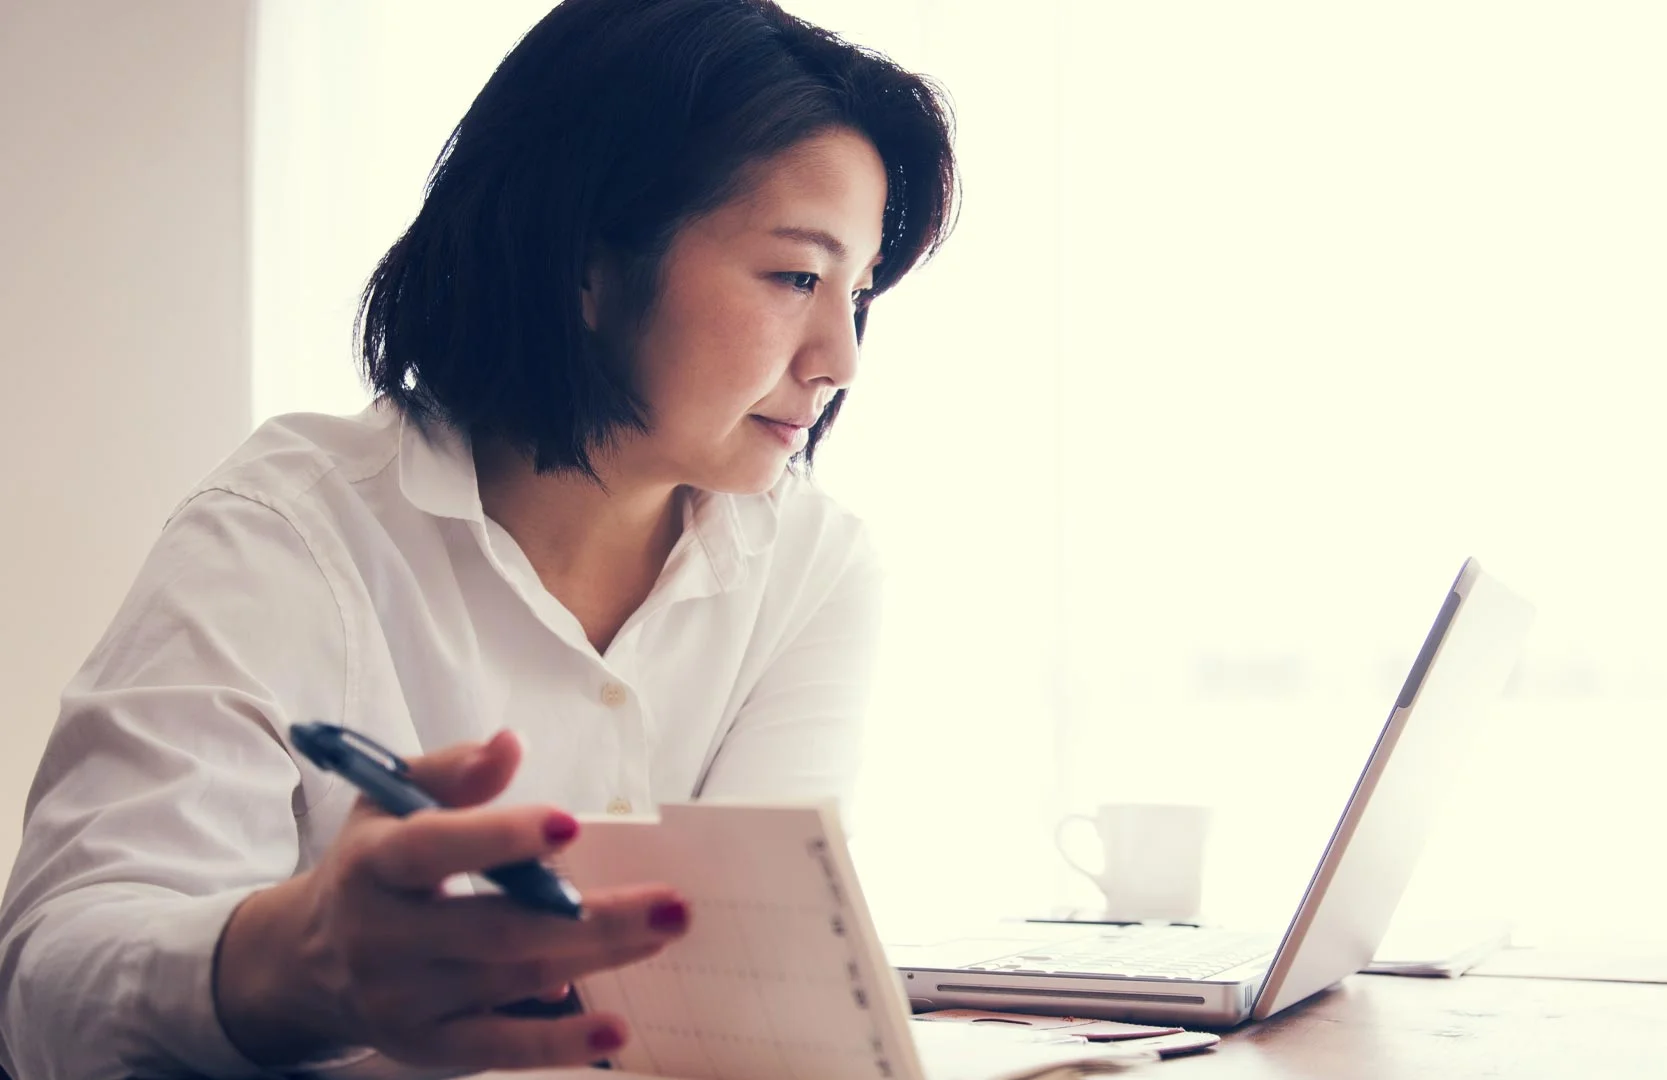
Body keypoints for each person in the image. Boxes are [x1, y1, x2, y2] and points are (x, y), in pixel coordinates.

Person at [0, 0, 956, 1076]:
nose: (841, 357)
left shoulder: (812, 570)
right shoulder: (288, 536)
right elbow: (48, 985)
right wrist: (296, 960)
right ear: (586, 267)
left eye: (858, 292)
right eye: (795, 277)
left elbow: (746, 1009)